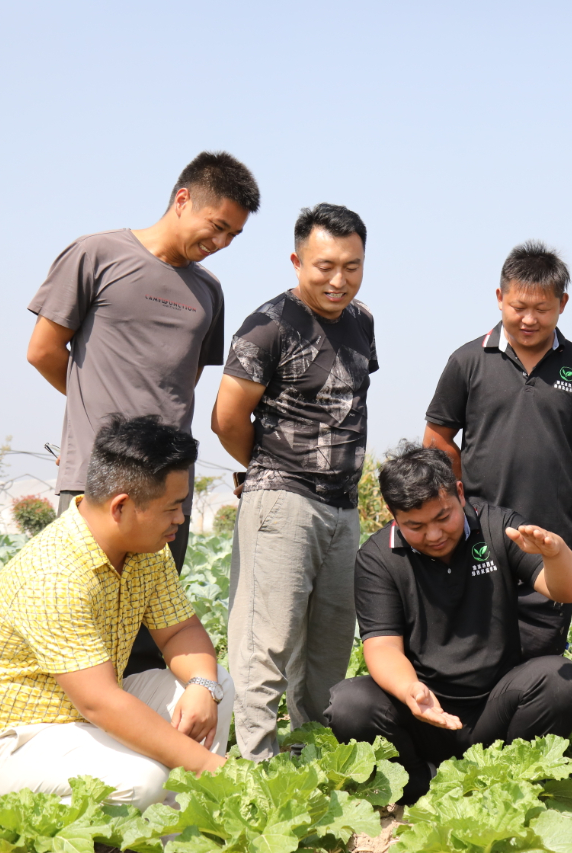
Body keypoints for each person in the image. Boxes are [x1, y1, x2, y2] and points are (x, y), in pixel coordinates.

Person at [26, 151, 260, 675]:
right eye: (216, 226)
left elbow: (181, 380)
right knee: (79, 624)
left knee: (152, 631)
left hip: (170, 487)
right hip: (96, 476)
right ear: (183, 199)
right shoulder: (96, 254)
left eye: (233, 235)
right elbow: (43, 351)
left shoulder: (208, 291)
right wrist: (96, 416)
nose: (221, 242)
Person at [0, 416, 233, 809]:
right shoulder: (55, 574)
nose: (180, 519)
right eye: (172, 507)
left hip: (83, 714)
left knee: (214, 685)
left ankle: (180, 826)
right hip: (9, 742)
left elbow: (180, 631)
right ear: (122, 507)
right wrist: (209, 767)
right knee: (142, 780)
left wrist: (202, 685)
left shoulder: (146, 550)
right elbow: (100, 703)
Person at [325, 444, 572, 804]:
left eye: (443, 517)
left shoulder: (497, 527)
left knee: (558, 679)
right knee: (349, 703)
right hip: (424, 712)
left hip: (497, 708)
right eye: (415, 526)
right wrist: (409, 690)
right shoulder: (378, 558)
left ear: (459, 493)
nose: (434, 535)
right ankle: (419, 783)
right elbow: (382, 645)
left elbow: (567, 591)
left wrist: (556, 554)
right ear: (393, 515)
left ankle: (511, 780)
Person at [210, 203, 376, 762]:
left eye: (351, 266)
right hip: (282, 499)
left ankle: (313, 758)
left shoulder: (362, 322)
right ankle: (255, 764)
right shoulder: (268, 325)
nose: (339, 279)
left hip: (344, 507)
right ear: (297, 261)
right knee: (267, 642)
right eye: (325, 266)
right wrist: (267, 467)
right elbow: (227, 418)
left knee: (330, 645)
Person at [423, 240, 572, 658]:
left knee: (541, 654)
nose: (529, 319)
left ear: (562, 304)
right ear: (500, 298)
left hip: (552, 534)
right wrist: (461, 496)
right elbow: (437, 437)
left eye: (542, 309)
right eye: (518, 307)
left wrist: (565, 484)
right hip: (479, 532)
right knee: (474, 647)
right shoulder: (467, 361)